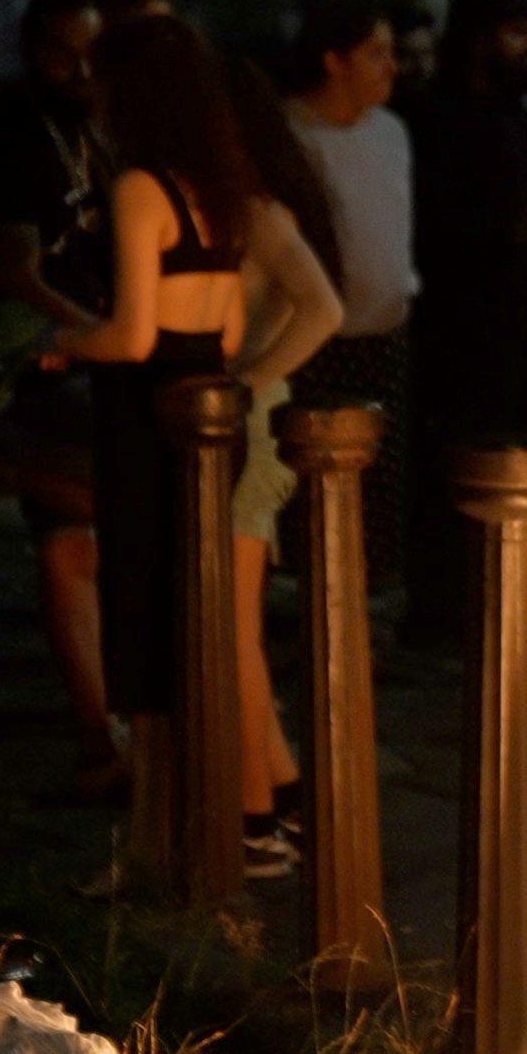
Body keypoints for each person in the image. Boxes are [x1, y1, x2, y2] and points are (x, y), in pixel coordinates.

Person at [62, 14, 251, 865]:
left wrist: (59, 342)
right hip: (214, 407)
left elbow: (132, 336)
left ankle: (152, 845)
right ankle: (203, 832)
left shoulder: (139, 189)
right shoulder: (216, 187)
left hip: (146, 414)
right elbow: (235, 329)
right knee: (198, 625)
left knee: (142, 622)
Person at [0, 0, 124, 797]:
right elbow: (12, 266)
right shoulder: (10, 126)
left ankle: (104, 734)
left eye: (91, 52)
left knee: (77, 546)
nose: (80, 68)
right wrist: (96, 329)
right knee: (77, 533)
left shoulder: (92, 123)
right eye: (65, 52)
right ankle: (101, 732)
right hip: (46, 358)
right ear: (33, 50)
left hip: (88, 348)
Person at [219, 60, 346, 873]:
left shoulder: (257, 211)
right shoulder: (252, 204)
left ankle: (259, 818)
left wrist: (251, 378)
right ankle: (284, 800)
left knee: (233, 631)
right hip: (246, 418)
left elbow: (326, 308)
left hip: (249, 427)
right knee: (239, 631)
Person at [402, 0, 527, 641]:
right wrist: (512, 229)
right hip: (460, 329)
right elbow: (436, 226)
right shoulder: (438, 119)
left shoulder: (524, 117)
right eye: (516, 33)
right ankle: (446, 611)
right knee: (456, 469)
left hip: (520, 326)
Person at [280, 0, 417, 586]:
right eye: (376, 54)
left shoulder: (390, 133)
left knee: (379, 485)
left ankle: (367, 608)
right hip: (315, 339)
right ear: (334, 62)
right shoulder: (293, 134)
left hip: (383, 331)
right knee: (311, 485)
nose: (392, 67)